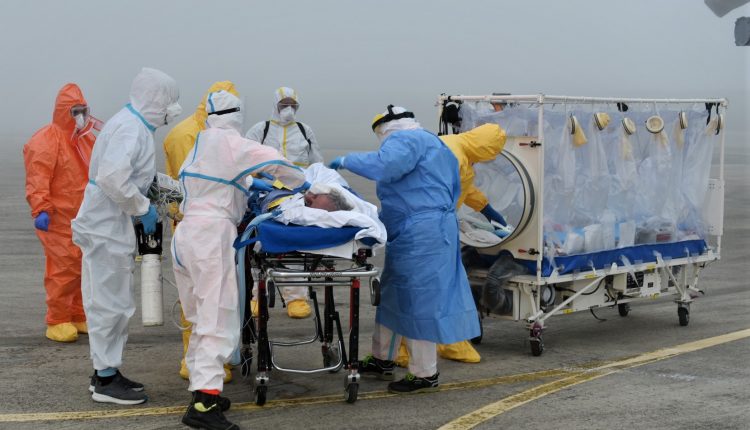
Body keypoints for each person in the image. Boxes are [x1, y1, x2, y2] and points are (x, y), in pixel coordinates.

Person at [173, 90, 305, 430]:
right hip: (210, 236)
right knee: (216, 316)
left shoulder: (201, 142)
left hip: (186, 235)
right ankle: (203, 404)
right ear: (237, 116)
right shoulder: (232, 142)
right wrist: (305, 184)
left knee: (200, 316)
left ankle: (207, 390)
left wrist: (248, 182)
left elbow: (220, 178)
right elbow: (278, 162)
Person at [328, 105, 480, 393]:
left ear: (386, 129)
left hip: (423, 232)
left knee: (419, 301)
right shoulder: (434, 143)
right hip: (419, 229)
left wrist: (347, 160)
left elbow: (386, 166)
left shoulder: (405, 140)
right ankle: (383, 358)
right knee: (393, 294)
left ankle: (425, 374)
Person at [72, 67, 181, 405]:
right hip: (105, 226)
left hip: (108, 224)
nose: (169, 113)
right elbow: (113, 178)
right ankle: (105, 381)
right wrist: (140, 207)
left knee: (112, 301)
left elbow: (132, 173)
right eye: (168, 104)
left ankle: (106, 371)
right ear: (156, 100)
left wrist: (163, 189)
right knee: (109, 303)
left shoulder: (131, 125)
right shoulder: (130, 130)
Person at [391, 123, 509, 366]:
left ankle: (413, 347)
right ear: (487, 148)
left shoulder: (455, 147)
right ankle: (436, 346)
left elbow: (463, 185)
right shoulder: (455, 156)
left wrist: (485, 207)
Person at [163, 81, 239, 384]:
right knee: (202, 300)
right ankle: (200, 367)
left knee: (211, 297)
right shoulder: (187, 136)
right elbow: (191, 188)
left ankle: (213, 362)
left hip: (208, 224)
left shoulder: (213, 132)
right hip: (195, 224)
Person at [23, 83, 96, 343]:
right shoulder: (45, 140)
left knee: (81, 266)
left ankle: (77, 313)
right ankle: (57, 319)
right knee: (63, 269)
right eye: (75, 111)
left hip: (83, 216)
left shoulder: (85, 138)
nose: (80, 116)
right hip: (57, 218)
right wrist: (41, 208)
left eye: (83, 110)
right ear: (63, 111)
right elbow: (38, 177)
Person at [245, 87, 323, 318]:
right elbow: (244, 159)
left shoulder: (304, 130)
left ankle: (296, 299)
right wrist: (260, 180)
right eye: (283, 105)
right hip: (267, 193)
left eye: (293, 105)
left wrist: (316, 185)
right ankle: (257, 296)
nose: (288, 109)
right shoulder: (260, 130)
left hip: (299, 192)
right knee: (258, 243)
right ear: (275, 105)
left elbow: (317, 162)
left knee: (296, 241)